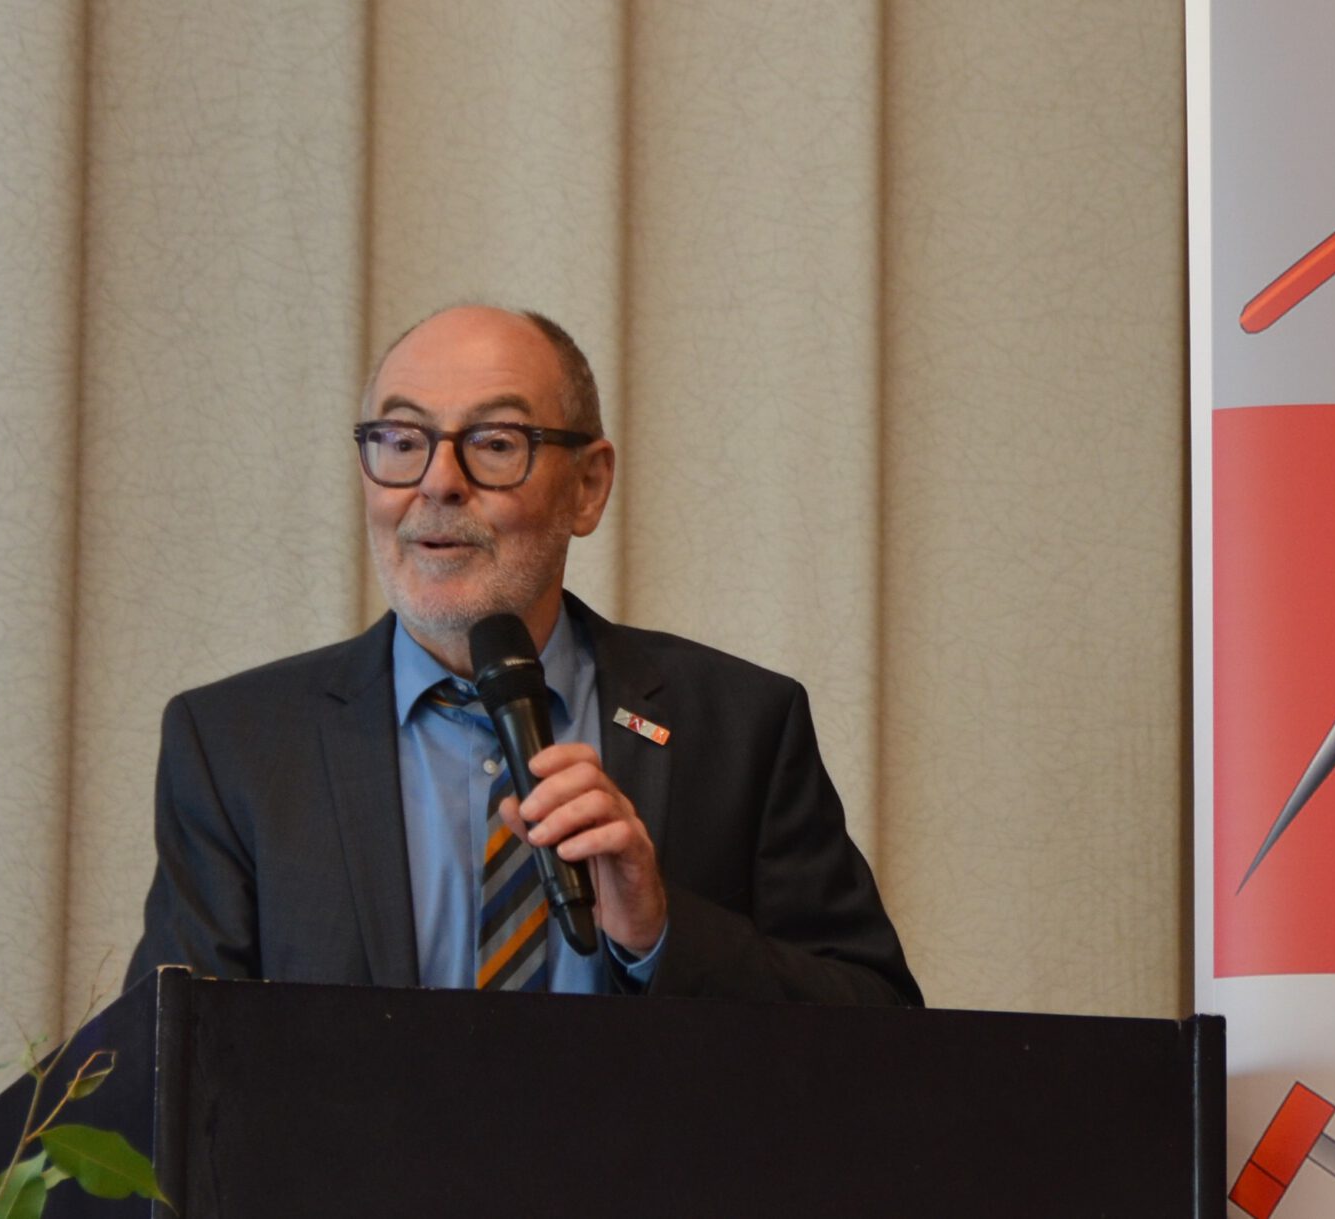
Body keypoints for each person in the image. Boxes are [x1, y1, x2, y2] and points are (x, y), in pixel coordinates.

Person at [130, 305, 917, 1004]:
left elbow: (879, 1028)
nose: (438, 482)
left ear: (588, 486)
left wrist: (661, 932)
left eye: (495, 443)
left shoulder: (741, 727)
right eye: (401, 441)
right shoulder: (237, 746)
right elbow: (168, 1065)